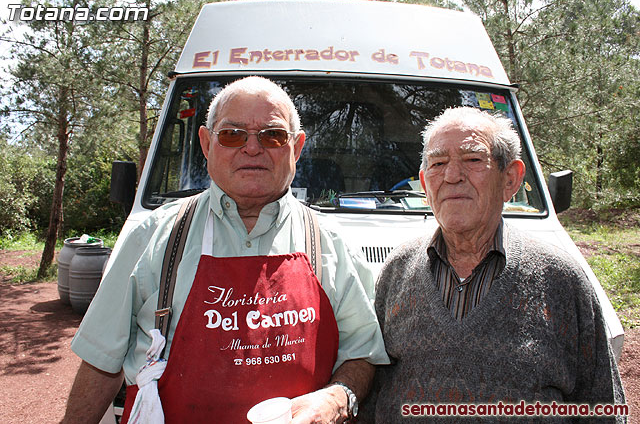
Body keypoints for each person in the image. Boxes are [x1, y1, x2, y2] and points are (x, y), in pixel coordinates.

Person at [63, 76, 389, 424]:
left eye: (273, 135)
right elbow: (101, 362)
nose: (252, 148)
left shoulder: (332, 243)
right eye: (233, 135)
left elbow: (363, 354)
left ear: (296, 148)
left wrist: (337, 400)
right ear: (206, 143)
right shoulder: (154, 235)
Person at [368, 107, 626, 422]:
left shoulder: (560, 278)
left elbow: (603, 405)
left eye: (473, 160)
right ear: (424, 183)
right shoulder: (396, 271)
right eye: (438, 163)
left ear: (510, 179)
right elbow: (372, 396)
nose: (451, 176)